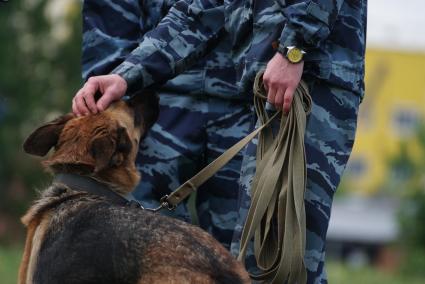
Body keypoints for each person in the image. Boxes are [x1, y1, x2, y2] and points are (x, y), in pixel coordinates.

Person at [74, 1, 367, 283]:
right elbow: (200, 12)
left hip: (309, 80)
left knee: (282, 263)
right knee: (258, 262)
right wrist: (125, 77)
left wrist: (294, 48)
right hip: (272, 90)